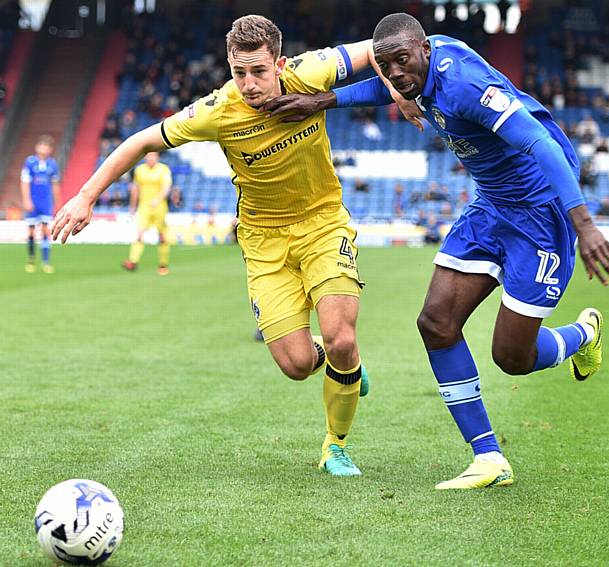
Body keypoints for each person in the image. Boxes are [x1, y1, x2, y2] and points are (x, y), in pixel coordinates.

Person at [263, 13, 609, 489]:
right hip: (491, 205)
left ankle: (582, 335)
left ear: (425, 51)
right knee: (435, 322)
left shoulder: (465, 86)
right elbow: (381, 86)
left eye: (403, 62)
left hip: (541, 213)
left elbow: (538, 140)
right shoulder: (410, 70)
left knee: (512, 357)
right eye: (386, 65)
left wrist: (584, 224)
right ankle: (489, 457)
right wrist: (323, 100)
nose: (395, 74)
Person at [51, 15, 416, 477]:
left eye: (259, 72)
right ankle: (344, 366)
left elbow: (382, 44)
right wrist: (85, 196)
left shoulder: (312, 71)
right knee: (298, 364)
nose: (248, 84)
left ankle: (335, 445)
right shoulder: (217, 111)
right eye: (238, 72)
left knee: (343, 336)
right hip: (264, 243)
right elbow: (141, 140)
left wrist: (401, 92)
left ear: (280, 64)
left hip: (324, 225)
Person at [121, 151, 172, 275]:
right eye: (148, 156)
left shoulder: (163, 169)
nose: (150, 158)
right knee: (139, 234)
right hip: (144, 207)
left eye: (153, 156)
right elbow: (135, 189)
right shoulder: (139, 170)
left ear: (157, 157)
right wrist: (132, 207)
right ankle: (133, 261)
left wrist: (158, 199)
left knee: (162, 236)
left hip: (160, 207)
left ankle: (163, 264)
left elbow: (166, 188)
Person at [20, 135, 60, 274]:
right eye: (42, 145)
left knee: (45, 231)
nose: (44, 148)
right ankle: (31, 260)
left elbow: (55, 184)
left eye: (47, 146)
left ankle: (46, 262)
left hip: (46, 202)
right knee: (31, 231)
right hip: (33, 201)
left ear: (50, 149)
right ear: (37, 147)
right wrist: (26, 200)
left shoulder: (52, 164)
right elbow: (25, 182)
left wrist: (57, 202)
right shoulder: (30, 162)